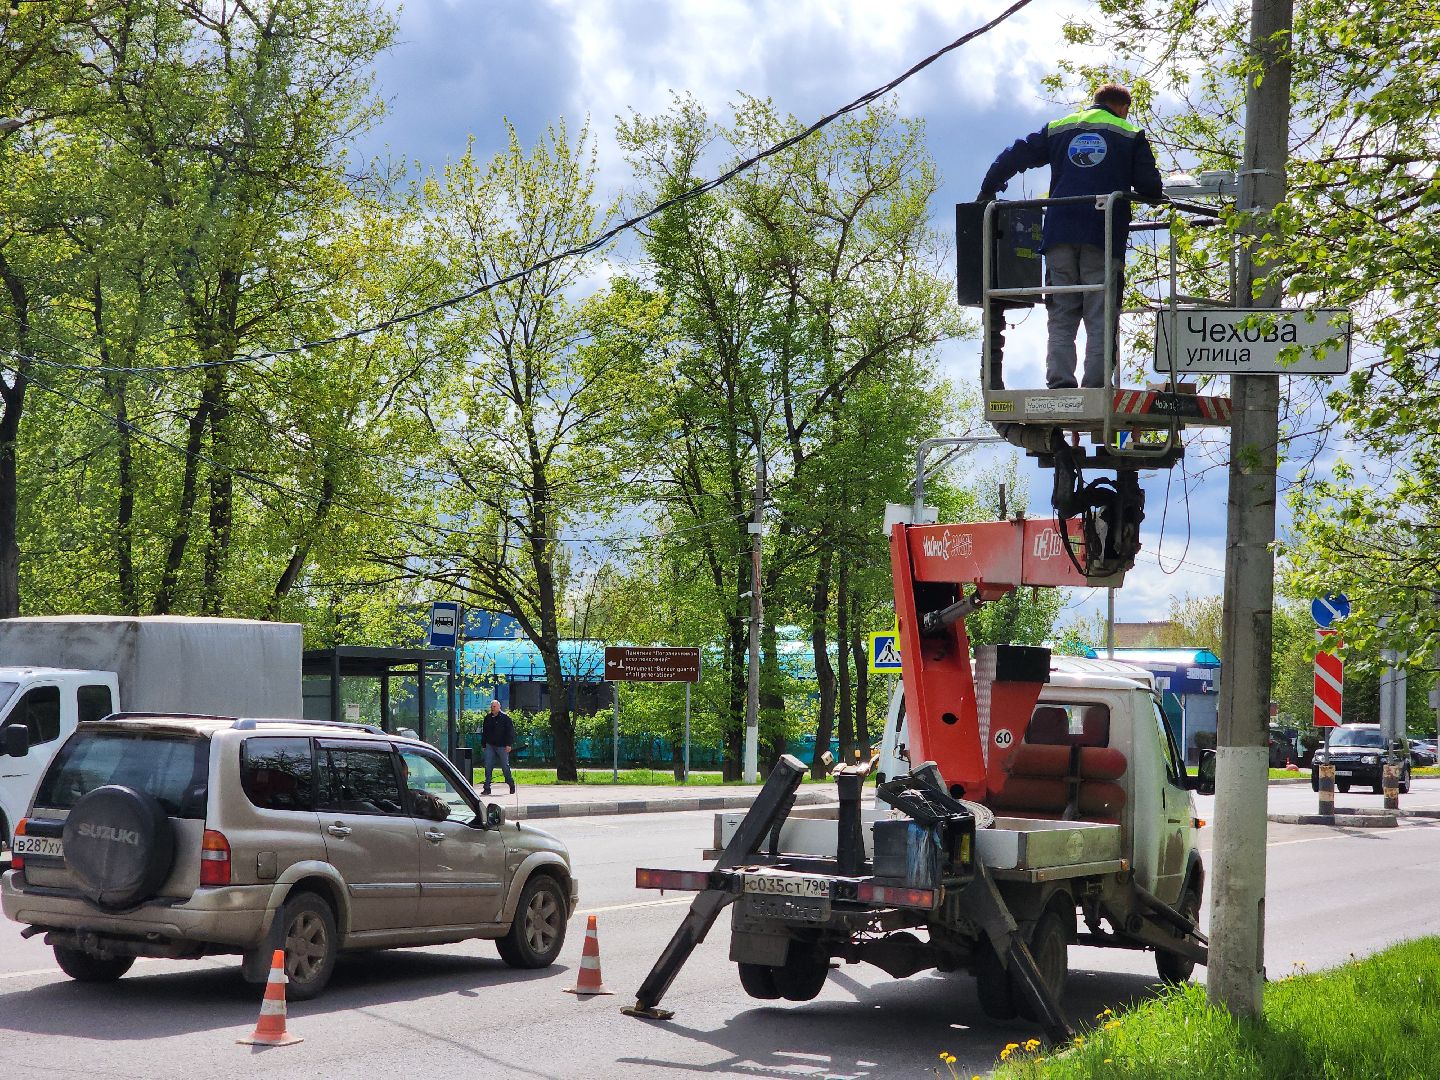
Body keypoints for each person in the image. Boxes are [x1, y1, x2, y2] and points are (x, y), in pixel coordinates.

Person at [977, 84, 1165, 390]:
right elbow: (1150, 187)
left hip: (1058, 234)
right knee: (1100, 313)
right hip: (1101, 235)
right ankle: (1096, 386)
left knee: (1062, 313)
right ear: (1123, 108)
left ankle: (1061, 382)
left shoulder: (1060, 128)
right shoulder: (1130, 133)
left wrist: (990, 185)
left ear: (1095, 102)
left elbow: (1017, 153)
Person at [480, 699, 516, 796]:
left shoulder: (505, 718)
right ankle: (487, 788)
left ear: (499, 707)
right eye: (491, 707)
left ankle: (511, 784)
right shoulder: (487, 718)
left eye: (494, 706)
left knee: (505, 766)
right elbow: (484, 732)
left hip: (502, 746)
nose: (492, 708)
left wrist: (509, 744)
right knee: (488, 766)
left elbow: (510, 732)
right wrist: (483, 744)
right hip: (490, 745)